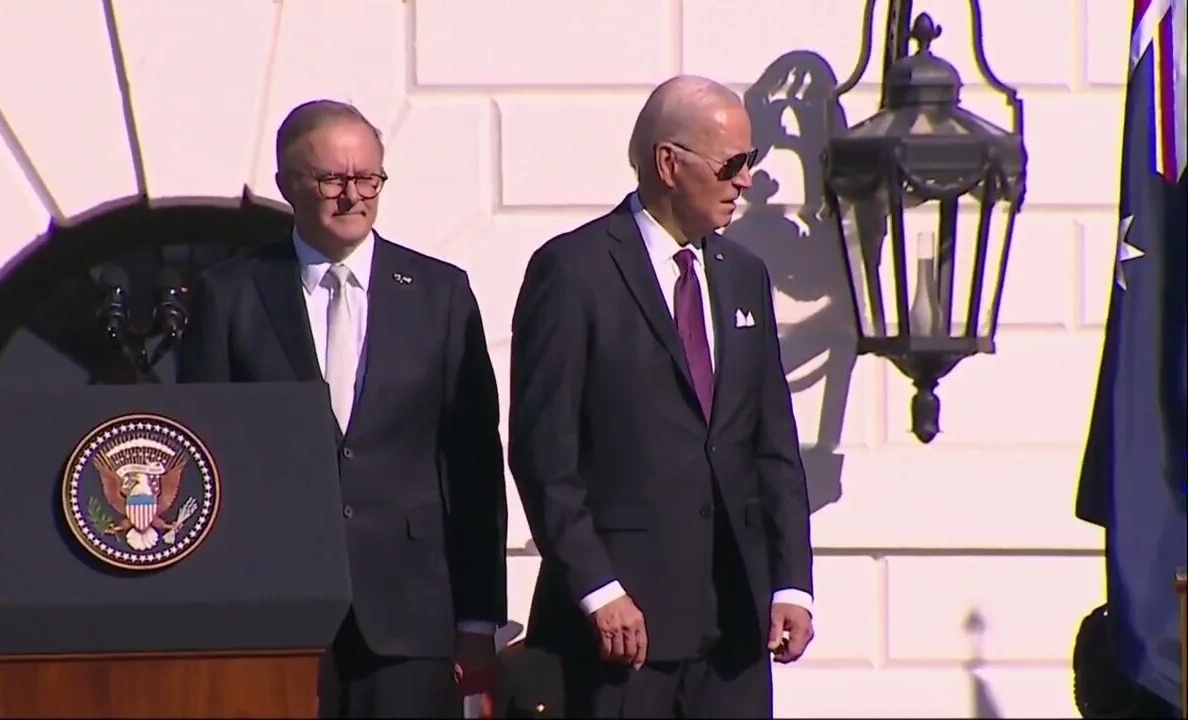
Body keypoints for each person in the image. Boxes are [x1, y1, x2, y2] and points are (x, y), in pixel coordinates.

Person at [176, 99, 507, 718]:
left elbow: (474, 466)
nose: (352, 195)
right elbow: (204, 462)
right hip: (277, 614)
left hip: (412, 616)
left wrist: (478, 618)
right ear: (287, 186)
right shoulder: (232, 294)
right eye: (332, 179)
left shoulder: (441, 293)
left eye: (367, 179)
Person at [507, 75, 815, 718]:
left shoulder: (743, 276)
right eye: (732, 164)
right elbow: (543, 457)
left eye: (751, 162)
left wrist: (792, 583)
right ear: (668, 163)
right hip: (620, 636)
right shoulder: (572, 271)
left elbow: (773, 447)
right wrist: (597, 588)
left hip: (734, 630)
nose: (746, 181)